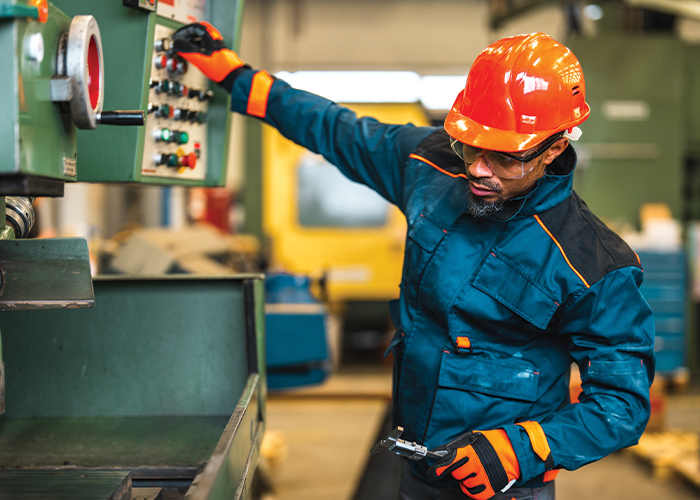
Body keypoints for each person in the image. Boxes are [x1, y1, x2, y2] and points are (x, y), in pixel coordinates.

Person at [172, 25, 655, 500]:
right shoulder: (431, 165)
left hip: (503, 485)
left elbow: (620, 403)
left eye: (506, 158)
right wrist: (240, 79)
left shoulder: (594, 265)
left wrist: (523, 448)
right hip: (416, 462)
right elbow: (335, 128)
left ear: (555, 147)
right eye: (471, 145)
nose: (478, 169)